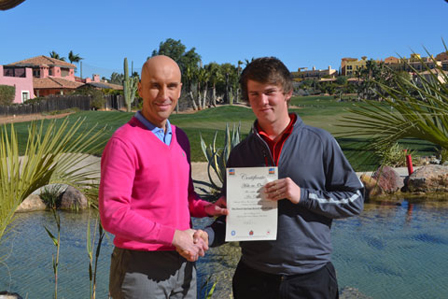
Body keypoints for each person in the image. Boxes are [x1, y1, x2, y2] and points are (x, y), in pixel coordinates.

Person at [202, 57, 364, 299]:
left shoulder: (320, 142)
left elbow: (354, 200)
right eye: (254, 94)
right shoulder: (240, 154)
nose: (262, 101)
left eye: (269, 92)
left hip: (310, 280)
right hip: (253, 279)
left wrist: (302, 195)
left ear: (287, 93)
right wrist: (207, 236)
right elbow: (233, 219)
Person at [99, 55, 227, 299]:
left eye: (171, 86)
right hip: (141, 268)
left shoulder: (180, 138)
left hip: (183, 263)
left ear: (180, 90)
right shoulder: (124, 142)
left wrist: (208, 208)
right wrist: (174, 236)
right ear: (140, 88)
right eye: (155, 85)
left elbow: (185, 197)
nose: (163, 95)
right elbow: (112, 214)